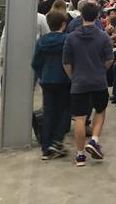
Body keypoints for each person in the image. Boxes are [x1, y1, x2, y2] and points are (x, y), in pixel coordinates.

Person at [62, 2, 114, 167]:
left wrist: (73, 77)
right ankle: (94, 139)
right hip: (98, 81)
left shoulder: (71, 37)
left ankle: (79, 155)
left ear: (81, 16)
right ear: (98, 16)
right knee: (100, 110)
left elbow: (66, 63)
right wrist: (100, 70)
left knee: (80, 117)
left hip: (79, 81)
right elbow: (109, 59)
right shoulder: (104, 37)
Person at [31, 11, 71, 160]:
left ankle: (46, 148)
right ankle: (57, 141)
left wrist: (43, 75)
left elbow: (35, 63)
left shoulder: (41, 41)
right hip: (64, 80)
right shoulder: (68, 40)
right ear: (64, 24)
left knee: (49, 112)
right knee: (66, 110)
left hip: (47, 80)